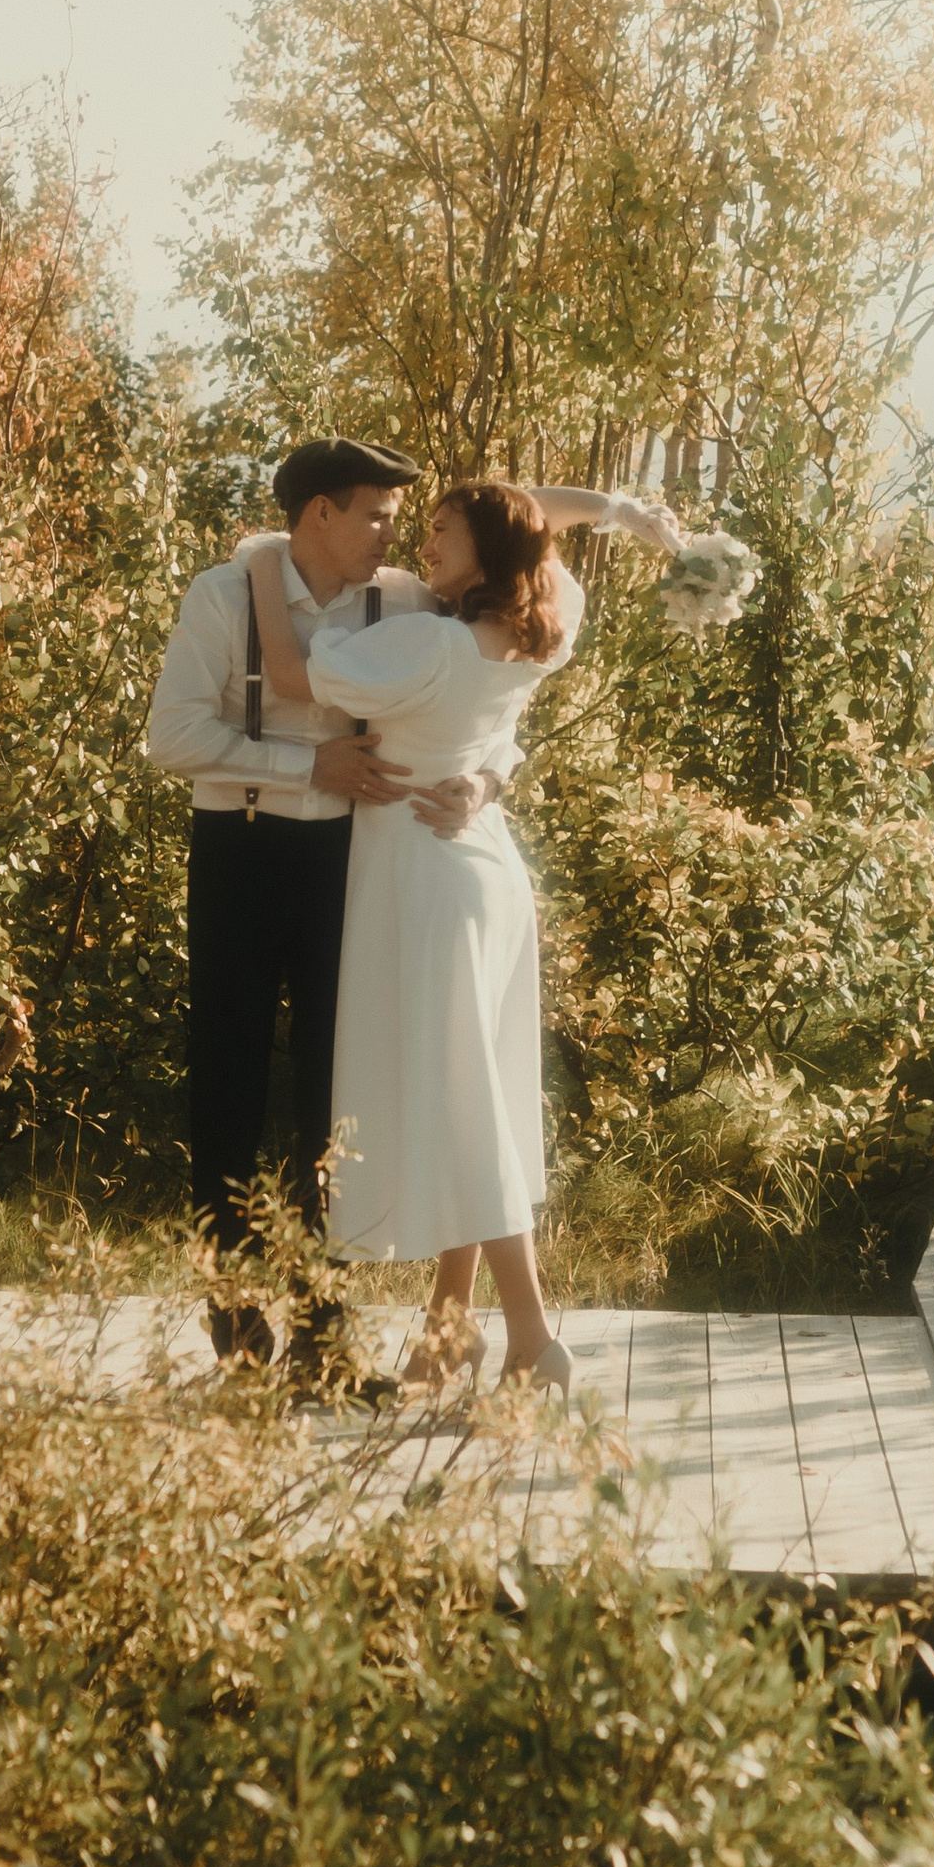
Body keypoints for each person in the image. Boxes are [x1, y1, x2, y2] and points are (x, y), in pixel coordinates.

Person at [237, 476, 680, 1393]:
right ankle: (448, 1327)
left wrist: (261, 563)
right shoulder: (542, 627)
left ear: (487, 550)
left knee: (467, 1109)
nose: (426, 543)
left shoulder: (428, 645)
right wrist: (615, 513)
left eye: (443, 530)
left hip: (426, 881)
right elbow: (526, 513)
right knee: (467, 1095)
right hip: (484, 867)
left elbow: (287, 674)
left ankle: (532, 1334)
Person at [145, 437, 506, 1363]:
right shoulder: (224, 595)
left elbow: (491, 702)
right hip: (240, 850)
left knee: (335, 1092)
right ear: (320, 514)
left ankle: (321, 1329)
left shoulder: (406, 603)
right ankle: (232, 1317)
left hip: (351, 860)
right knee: (227, 1084)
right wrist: (307, 764)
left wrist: (486, 781)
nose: (394, 536)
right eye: (377, 516)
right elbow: (172, 735)